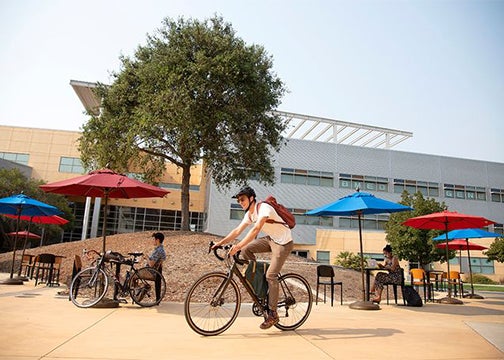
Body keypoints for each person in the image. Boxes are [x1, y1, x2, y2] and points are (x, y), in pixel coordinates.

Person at [212, 186, 294, 330]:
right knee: (246, 250)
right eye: (238, 200)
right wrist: (219, 243)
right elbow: (237, 231)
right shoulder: (249, 214)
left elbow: (255, 230)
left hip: (283, 243)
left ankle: (273, 314)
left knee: (271, 275)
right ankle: (258, 281)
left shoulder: (264, 208)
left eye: (242, 199)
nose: (240, 202)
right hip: (271, 239)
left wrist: (237, 247)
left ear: (251, 199)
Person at [148, 232, 166, 302]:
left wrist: (146, 257)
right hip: (157, 271)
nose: (153, 241)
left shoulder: (158, 251)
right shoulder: (162, 250)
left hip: (150, 271)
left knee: (131, 275)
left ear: (157, 240)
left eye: (154, 239)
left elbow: (151, 264)